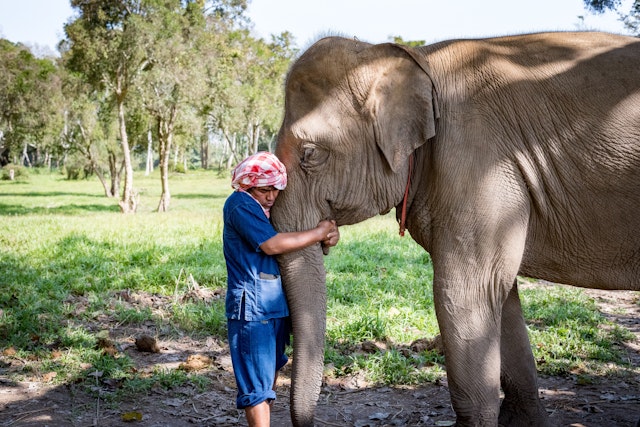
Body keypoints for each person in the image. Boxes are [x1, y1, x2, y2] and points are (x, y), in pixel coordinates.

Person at [223, 151, 339, 427]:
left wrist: (328, 235)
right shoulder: (240, 205)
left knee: (268, 379)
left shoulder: (264, 209)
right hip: (252, 309)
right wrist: (319, 233)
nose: (272, 196)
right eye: (265, 189)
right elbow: (272, 245)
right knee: (256, 389)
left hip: (274, 306)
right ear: (248, 185)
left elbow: (291, 235)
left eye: (276, 189)